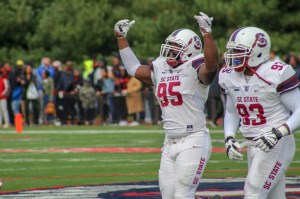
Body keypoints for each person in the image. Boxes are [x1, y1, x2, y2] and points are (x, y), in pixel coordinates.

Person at [114, 12, 220, 199]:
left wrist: (207, 34)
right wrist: (121, 39)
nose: (170, 51)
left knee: (182, 195)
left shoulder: (195, 67)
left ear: (189, 50)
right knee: (168, 196)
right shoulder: (161, 67)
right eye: (169, 47)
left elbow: (211, 67)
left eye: (175, 47)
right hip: (169, 142)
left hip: (193, 139)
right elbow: (133, 69)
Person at [219, 27, 300, 199]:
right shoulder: (228, 75)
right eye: (232, 51)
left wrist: (278, 132)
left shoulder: (276, 72)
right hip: (252, 143)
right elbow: (232, 111)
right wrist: (229, 137)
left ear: (257, 52)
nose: (233, 56)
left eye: (239, 51)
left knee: (254, 191)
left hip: (275, 142)